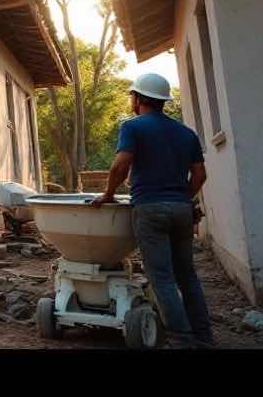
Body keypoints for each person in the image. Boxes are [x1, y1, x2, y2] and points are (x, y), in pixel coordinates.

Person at [90, 73, 213, 347]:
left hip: (150, 209)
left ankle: (182, 340)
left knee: (162, 278)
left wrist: (108, 194)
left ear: (139, 98)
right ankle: (204, 337)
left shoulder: (133, 127)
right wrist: (181, 198)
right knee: (187, 276)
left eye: (132, 95)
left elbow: (120, 165)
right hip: (182, 210)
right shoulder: (186, 133)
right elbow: (200, 175)